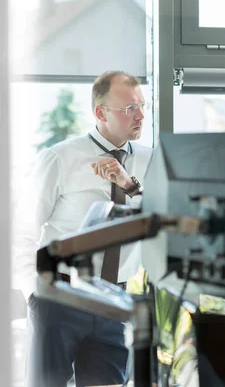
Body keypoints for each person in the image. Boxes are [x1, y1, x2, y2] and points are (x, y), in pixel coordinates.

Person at [13, 71, 153, 387]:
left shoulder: (150, 160)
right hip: (59, 295)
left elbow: (158, 217)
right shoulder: (60, 158)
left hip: (114, 298)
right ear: (101, 113)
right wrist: (35, 292)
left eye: (142, 105)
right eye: (130, 108)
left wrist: (129, 184)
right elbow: (21, 231)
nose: (141, 116)